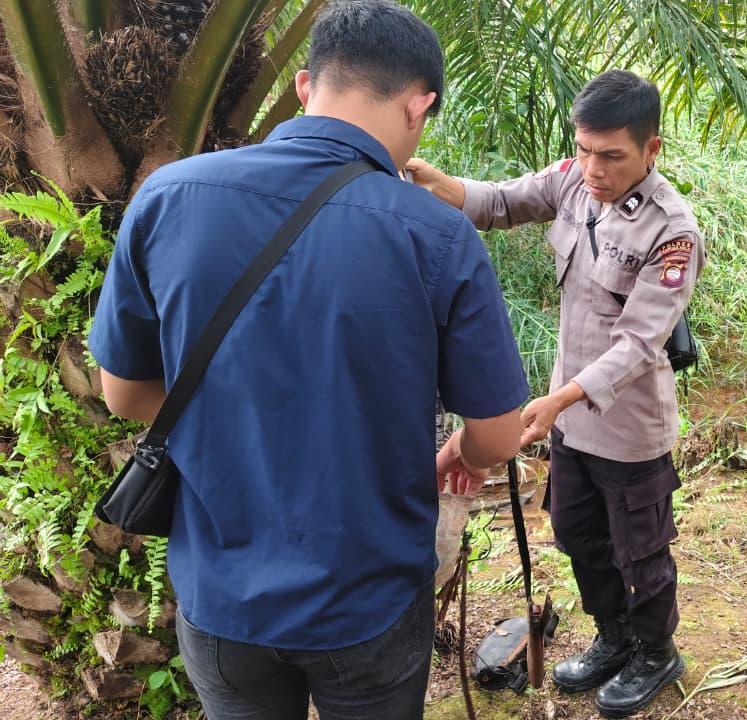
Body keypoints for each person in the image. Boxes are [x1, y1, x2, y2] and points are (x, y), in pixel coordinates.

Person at [88, 1, 528, 718]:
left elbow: (125, 393)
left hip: (223, 596)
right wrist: (462, 451)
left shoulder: (166, 197)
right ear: (422, 107)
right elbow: (499, 434)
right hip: (371, 599)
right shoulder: (436, 236)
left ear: (303, 86)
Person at [408, 69, 704, 718]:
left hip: (628, 429)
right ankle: (614, 635)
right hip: (571, 423)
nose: (593, 168)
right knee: (574, 531)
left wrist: (560, 399)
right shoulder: (574, 179)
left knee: (642, 552)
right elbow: (502, 202)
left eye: (612, 156)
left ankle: (656, 653)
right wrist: (439, 185)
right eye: (586, 149)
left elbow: (636, 345)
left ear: (652, 150)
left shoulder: (672, 231)